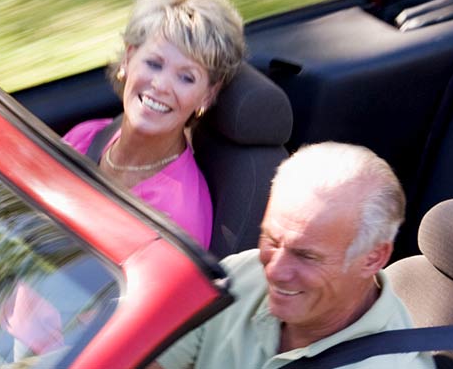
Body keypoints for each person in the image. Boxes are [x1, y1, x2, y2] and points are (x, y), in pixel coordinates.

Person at [153, 143, 432, 369]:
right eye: (272, 240)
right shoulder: (239, 275)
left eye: (306, 256)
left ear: (373, 258)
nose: (274, 271)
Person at [61, 0, 246, 247]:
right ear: (128, 59)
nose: (160, 86)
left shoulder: (178, 216)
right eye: (154, 63)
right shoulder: (85, 137)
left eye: (186, 77)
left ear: (207, 95)